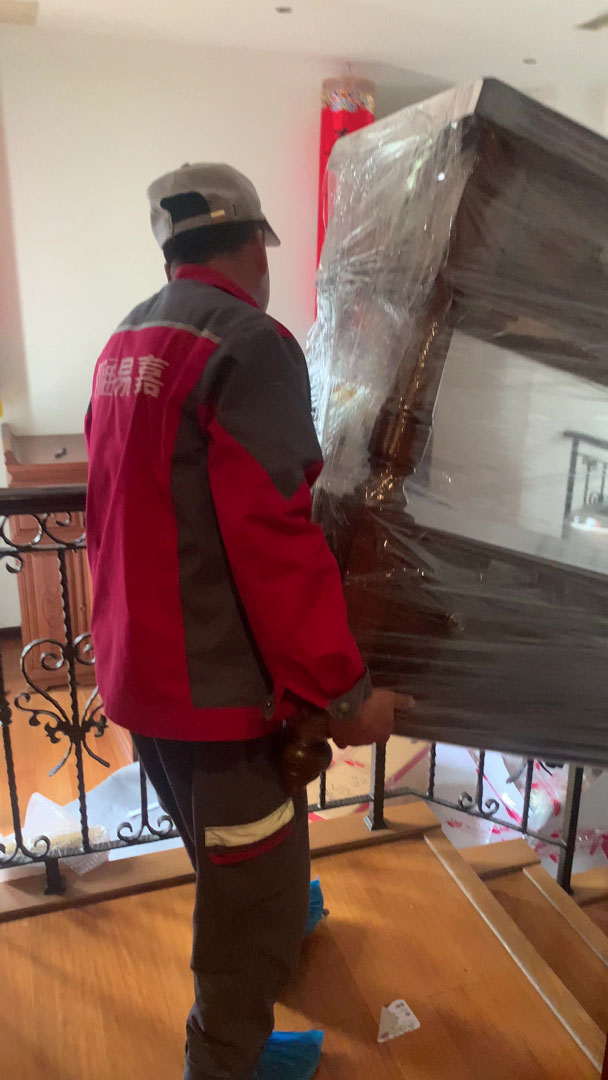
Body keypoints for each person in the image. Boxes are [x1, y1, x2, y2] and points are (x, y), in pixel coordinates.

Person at [85, 162, 412, 1080]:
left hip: (142, 669)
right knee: (246, 905)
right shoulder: (250, 342)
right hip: (219, 694)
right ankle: (227, 1062)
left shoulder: (128, 338)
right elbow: (276, 542)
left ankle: (278, 907)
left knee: (226, 850)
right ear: (255, 249)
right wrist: (346, 694)